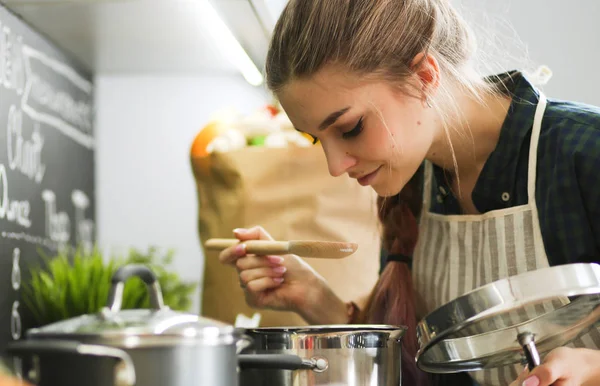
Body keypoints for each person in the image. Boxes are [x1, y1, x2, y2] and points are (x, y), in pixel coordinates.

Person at [218, 0, 600, 385]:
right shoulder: (411, 188)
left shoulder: (586, 152)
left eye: (350, 128)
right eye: (317, 139)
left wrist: (593, 368)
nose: (336, 166)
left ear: (424, 76)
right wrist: (316, 300)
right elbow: (413, 373)